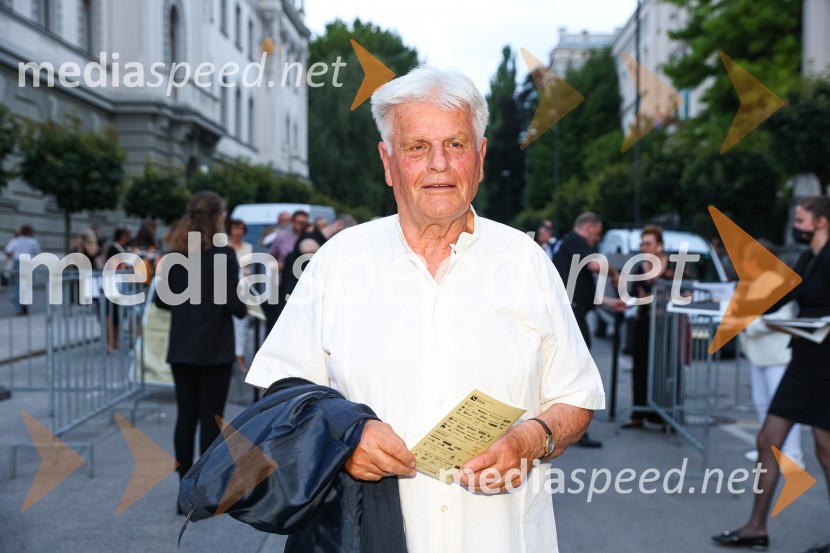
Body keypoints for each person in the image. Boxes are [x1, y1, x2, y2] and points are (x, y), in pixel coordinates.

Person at [246, 66, 604, 553]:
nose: (439, 164)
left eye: (456, 145)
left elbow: (576, 396)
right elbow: (281, 390)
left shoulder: (526, 262)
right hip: (367, 538)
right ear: (388, 161)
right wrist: (346, 438)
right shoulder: (338, 261)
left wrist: (531, 440)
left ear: (478, 157)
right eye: (416, 147)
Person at [712, 196, 830, 552]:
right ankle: (756, 528)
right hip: (803, 360)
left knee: (825, 449)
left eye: (801, 218)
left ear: (821, 221)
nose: (796, 223)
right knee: (768, 440)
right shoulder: (807, 257)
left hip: (826, 364)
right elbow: (779, 298)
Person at [155, 191, 247, 511]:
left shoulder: (175, 254)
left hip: (182, 346)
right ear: (218, 216)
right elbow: (237, 307)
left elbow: (161, 300)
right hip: (214, 348)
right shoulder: (223, 256)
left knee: (185, 417)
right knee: (210, 418)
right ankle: (204, 491)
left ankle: (183, 490)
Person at [552, 212, 625, 447]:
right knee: (579, 372)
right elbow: (595, 265)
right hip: (572, 313)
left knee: (570, 369)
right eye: (597, 231)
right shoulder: (576, 240)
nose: (598, 237)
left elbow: (582, 290)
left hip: (571, 311)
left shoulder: (570, 245)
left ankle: (566, 423)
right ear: (588, 226)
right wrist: (616, 273)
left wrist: (611, 303)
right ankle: (575, 428)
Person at [622, 225, 673, 429]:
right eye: (642, 243)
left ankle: (663, 416)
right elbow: (633, 295)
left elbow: (684, 293)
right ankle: (639, 413)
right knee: (640, 368)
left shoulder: (673, 266)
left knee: (664, 367)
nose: (644, 247)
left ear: (660, 245)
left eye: (648, 243)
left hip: (666, 327)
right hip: (643, 325)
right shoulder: (638, 267)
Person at [277, 214, 356, 309]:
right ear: (340, 224)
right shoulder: (311, 237)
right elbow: (306, 246)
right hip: (295, 298)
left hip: (305, 298)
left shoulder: (325, 241)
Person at [263, 210, 309, 331]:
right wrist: (283, 266)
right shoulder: (282, 236)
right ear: (292, 222)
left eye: (304, 223)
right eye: (299, 222)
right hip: (282, 283)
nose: (301, 225)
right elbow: (269, 258)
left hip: (302, 284)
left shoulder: (309, 238)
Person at [228, 218, 253, 374]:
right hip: (229, 288)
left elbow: (249, 270)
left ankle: (240, 358)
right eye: (235, 228)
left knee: (241, 327)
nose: (238, 232)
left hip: (243, 288)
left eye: (240, 229)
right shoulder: (224, 247)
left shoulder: (248, 247)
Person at [104, 228, 132, 351]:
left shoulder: (122, 248)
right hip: (113, 284)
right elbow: (115, 266)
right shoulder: (113, 248)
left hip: (120, 284)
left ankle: (115, 342)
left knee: (117, 316)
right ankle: (109, 343)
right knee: (111, 314)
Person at [4, 225, 41, 316]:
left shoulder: (15, 241)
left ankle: (18, 309)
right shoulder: (33, 241)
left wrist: (13, 256)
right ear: (30, 232)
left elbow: (8, 252)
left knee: (16, 286)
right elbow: (37, 252)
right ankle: (25, 301)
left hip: (17, 263)